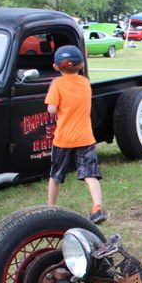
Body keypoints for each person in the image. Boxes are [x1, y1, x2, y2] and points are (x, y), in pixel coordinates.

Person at [45, 45, 107, 224]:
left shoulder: (57, 84)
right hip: (85, 137)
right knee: (90, 174)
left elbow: (51, 109)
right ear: (81, 65)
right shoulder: (85, 83)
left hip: (63, 139)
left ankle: (50, 208)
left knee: (56, 175)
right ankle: (97, 208)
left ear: (56, 66)